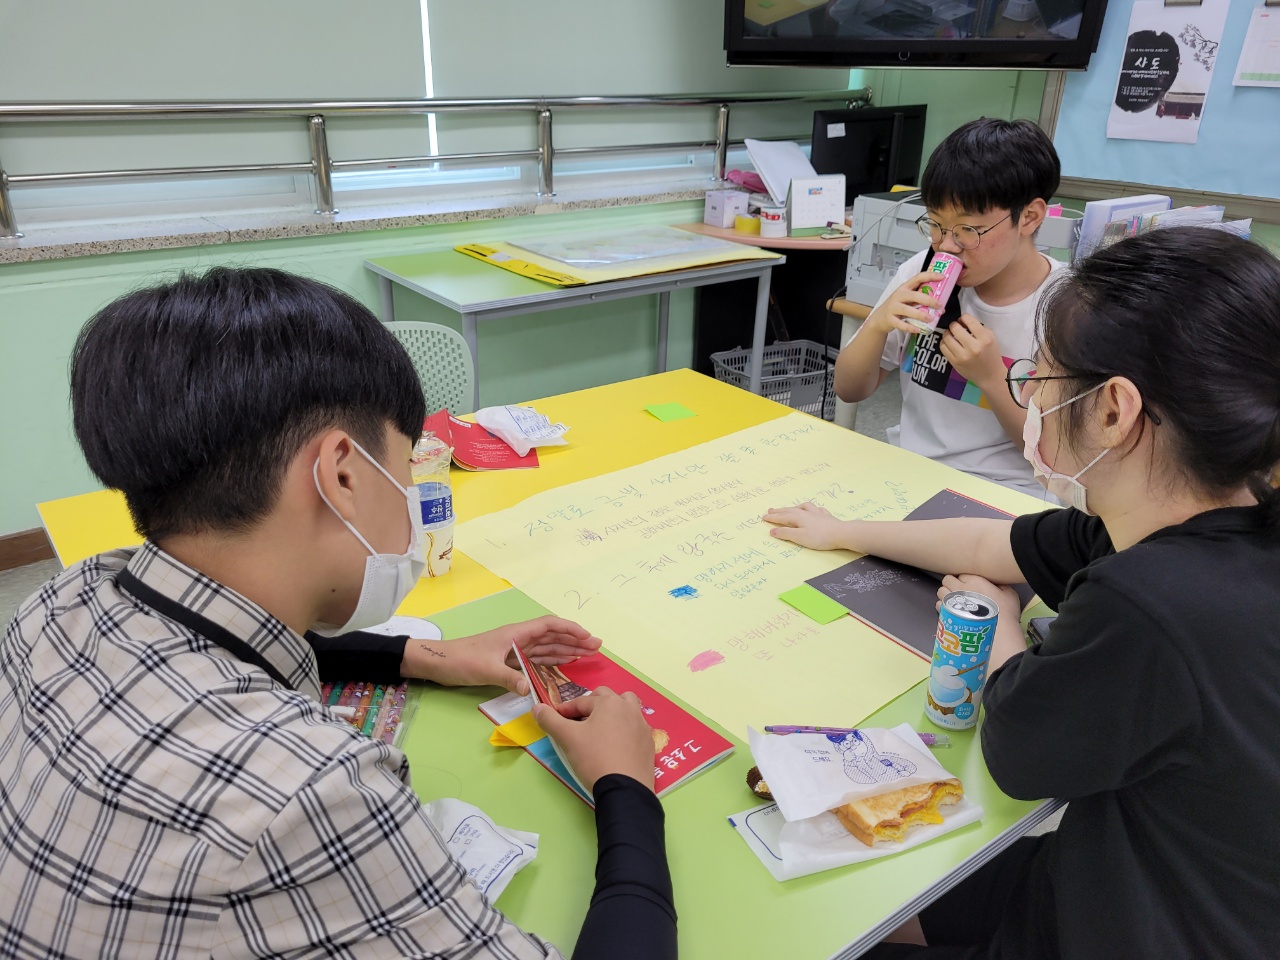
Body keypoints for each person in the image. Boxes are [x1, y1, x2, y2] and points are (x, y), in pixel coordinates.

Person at [0, 267, 675, 960]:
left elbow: (235, 638)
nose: (411, 496)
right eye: (407, 467)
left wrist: (432, 656)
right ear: (344, 474)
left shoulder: (65, 597)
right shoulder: (313, 795)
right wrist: (625, 785)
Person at [768, 228, 1280, 958]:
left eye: (1038, 379)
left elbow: (1016, 755)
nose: (1026, 393)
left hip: (1141, 926)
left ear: (1113, 410)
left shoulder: (1149, 601)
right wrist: (843, 529)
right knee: (876, 891)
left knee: (811, 930)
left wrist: (1000, 623)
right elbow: (992, 543)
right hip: (1132, 868)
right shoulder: (1191, 513)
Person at [834, 118, 1064, 499]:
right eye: (937, 225)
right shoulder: (920, 270)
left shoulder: (1064, 305)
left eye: (968, 230)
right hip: (908, 474)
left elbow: (1055, 456)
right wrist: (877, 327)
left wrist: (992, 378)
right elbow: (849, 389)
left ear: (1030, 217)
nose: (947, 246)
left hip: (1006, 493)